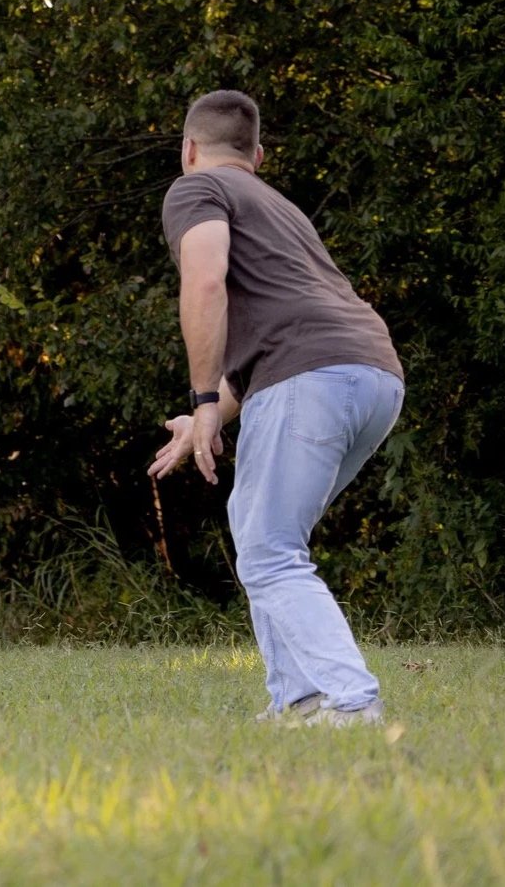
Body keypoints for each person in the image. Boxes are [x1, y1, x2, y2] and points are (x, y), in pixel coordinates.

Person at [150, 90, 404, 727]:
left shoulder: (196, 189)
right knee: (263, 532)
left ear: (188, 148)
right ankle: (298, 701)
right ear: (257, 155)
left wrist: (204, 398)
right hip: (372, 375)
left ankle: (350, 700)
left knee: (267, 549)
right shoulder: (280, 207)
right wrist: (206, 419)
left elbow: (205, 282)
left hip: (313, 377)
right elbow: (279, 333)